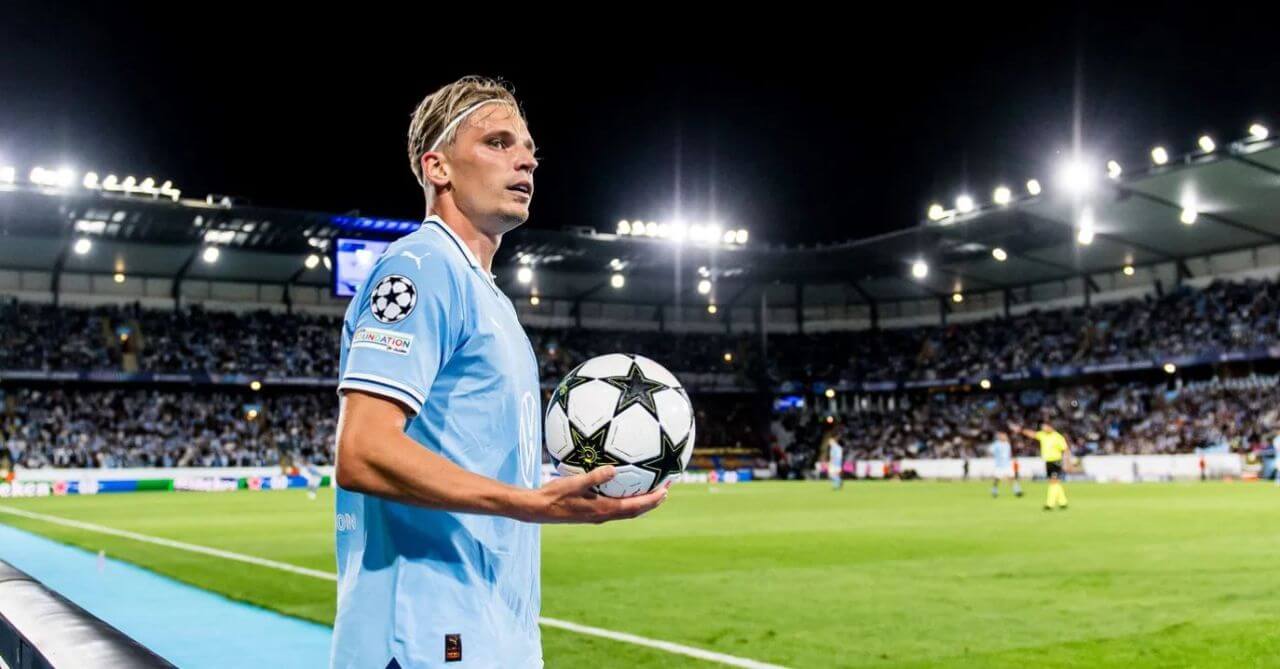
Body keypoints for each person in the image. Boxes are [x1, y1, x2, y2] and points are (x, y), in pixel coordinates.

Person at [331, 76, 667, 669]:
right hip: (425, 638)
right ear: (438, 167)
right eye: (498, 142)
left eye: (529, 149)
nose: (527, 160)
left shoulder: (487, 296)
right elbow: (363, 451)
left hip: (486, 635)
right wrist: (529, 502)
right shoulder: (421, 266)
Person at [1013, 421, 1069, 510]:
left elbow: (1066, 450)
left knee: (1053, 482)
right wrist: (1021, 430)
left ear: (1050, 427)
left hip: (1056, 461)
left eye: (1045, 427)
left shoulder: (1058, 437)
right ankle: (1063, 502)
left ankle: (1050, 504)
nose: (1043, 428)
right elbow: (1032, 434)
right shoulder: (1043, 435)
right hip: (1048, 462)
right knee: (1055, 482)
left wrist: (1066, 463)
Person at [989, 431, 1022, 498]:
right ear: (1000, 437)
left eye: (1005, 436)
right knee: (997, 479)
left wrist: (1013, 459)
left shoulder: (1007, 444)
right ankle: (994, 490)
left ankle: (1017, 491)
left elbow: (1008, 454)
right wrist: (996, 456)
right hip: (999, 465)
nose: (1005, 437)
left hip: (1007, 465)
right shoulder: (996, 444)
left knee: (1012, 477)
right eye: (1004, 436)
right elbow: (990, 450)